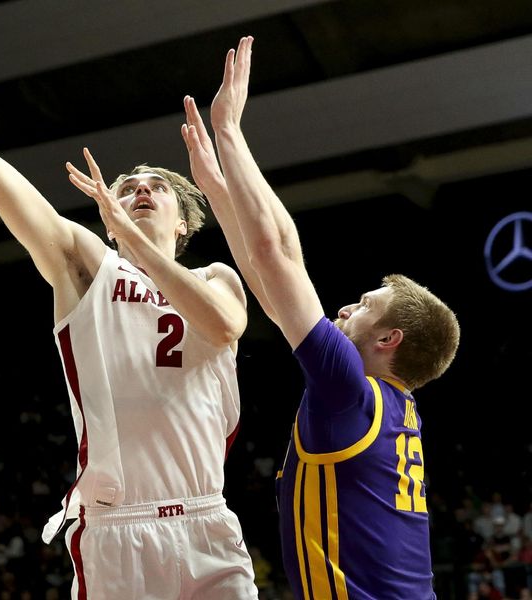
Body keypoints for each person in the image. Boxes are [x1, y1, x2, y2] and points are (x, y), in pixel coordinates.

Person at [0, 2, 258, 598]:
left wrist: (135, 244)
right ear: (108, 219)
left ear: (185, 223)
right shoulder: (87, 267)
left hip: (208, 521)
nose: (141, 190)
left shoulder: (216, 277)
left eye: (156, 187)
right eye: (127, 189)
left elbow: (224, 328)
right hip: (118, 529)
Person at [181, 36, 461, 599]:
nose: (344, 309)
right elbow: (273, 285)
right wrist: (218, 186)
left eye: (363, 306)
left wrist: (231, 133)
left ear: (389, 337)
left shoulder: (349, 392)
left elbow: (277, 256)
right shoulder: (384, 403)